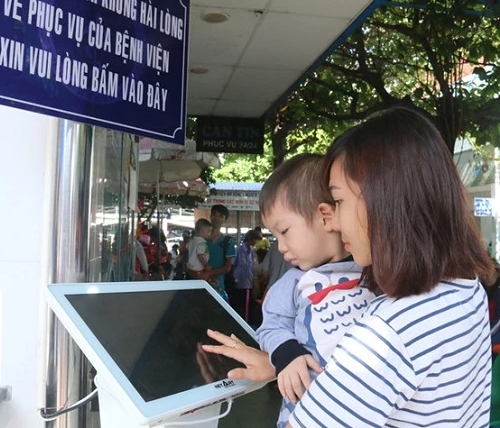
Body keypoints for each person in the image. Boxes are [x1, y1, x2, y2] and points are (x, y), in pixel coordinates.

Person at [205, 107, 496, 428]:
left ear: (383, 202)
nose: (335, 221)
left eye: (339, 202)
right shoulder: (465, 289)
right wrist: (281, 363)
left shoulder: (386, 332)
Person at [257, 153, 376, 427]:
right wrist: (288, 354)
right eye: (275, 237)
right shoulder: (294, 283)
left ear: (325, 217)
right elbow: (270, 326)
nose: (281, 246)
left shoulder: (374, 270)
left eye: (284, 231)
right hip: (304, 410)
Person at [205, 205, 236, 301]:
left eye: (221, 216)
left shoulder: (228, 241)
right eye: (214, 214)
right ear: (210, 216)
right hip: (198, 283)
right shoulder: (200, 238)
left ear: (224, 219)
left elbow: (227, 268)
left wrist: (208, 273)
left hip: (218, 286)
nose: (216, 218)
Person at [230, 229, 261, 323]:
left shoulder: (252, 251)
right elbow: (232, 265)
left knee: (247, 308)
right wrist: (233, 281)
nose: (256, 243)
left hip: (248, 285)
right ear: (251, 239)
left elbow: (252, 267)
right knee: (238, 307)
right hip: (238, 284)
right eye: (255, 240)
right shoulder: (238, 250)